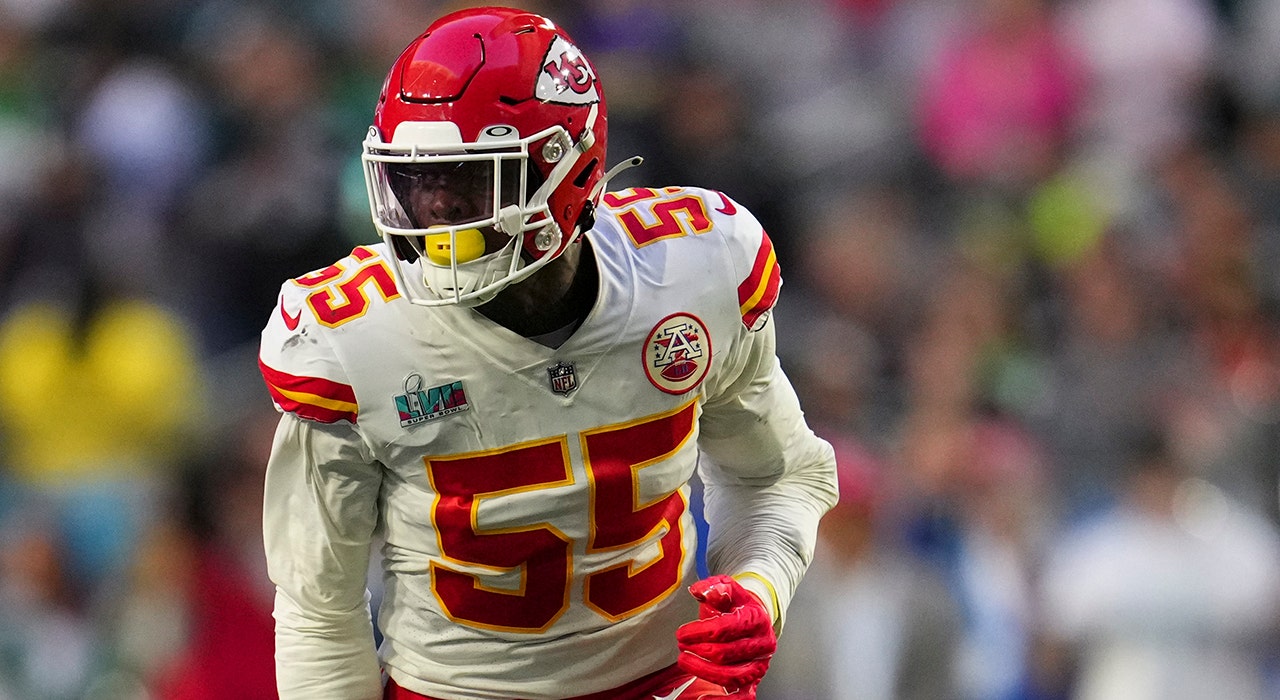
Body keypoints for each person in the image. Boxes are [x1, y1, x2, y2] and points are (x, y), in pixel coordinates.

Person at [257, 7, 839, 700]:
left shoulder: (696, 270)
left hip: (667, 683)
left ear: (567, 169)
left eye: (469, 182)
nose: (435, 214)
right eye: (416, 183)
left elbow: (777, 475)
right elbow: (318, 610)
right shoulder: (347, 340)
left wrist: (759, 587)